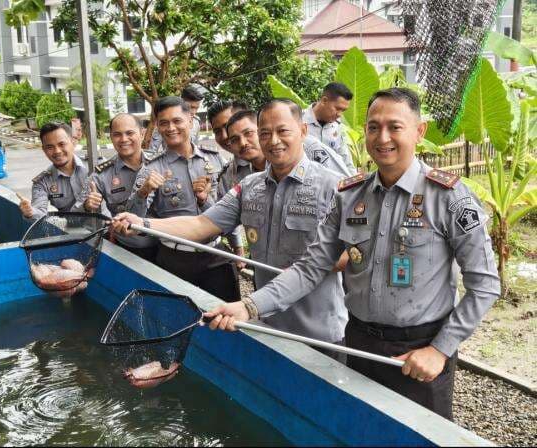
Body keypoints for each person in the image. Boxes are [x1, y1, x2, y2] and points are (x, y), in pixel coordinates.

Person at [205, 88, 500, 420]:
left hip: (419, 350)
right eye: (373, 127)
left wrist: (439, 349)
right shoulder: (349, 196)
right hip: (358, 343)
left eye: (394, 126)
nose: (382, 137)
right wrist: (249, 306)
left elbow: (485, 285)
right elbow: (310, 268)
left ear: (419, 131)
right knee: (360, 430)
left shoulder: (449, 198)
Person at [113, 98, 349, 347]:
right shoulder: (249, 187)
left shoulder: (334, 187)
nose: (274, 140)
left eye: (283, 131)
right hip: (269, 325)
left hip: (319, 332)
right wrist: (143, 223)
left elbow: (346, 257)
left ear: (302, 131)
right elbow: (200, 225)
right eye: (266, 133)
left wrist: (259, 299)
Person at [128, 96, 240, 302]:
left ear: (190, 120)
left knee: (227, 320)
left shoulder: (214, 159)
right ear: (158, 127)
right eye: (164, 123)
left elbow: (230, 208)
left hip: (215, 255)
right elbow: (134, 220)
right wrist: (142, 193)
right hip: (175, 259)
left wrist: (237, 246)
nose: (171, 128)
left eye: (177, 121)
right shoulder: (152, 168)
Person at [72, 113, 158, 261]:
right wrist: (87, 205)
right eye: (117, 134)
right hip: (125, 250)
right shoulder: (100, 175)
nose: (124, 139)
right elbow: (74, 216)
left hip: (163, 246)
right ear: (111, 137)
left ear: (142, 134)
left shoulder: (160, 163)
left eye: (130, 133)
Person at [207, 100, 250, 268]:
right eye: (217, 131)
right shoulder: (228, 177)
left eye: (228, 126)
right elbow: (220, 220)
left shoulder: (289, 154)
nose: (225, 136)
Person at [18, 122, 89, 221]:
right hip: (72, 233)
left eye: (62, 144)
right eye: (50, 147)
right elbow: (39, 212)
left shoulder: (93, 167)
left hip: (107, 230)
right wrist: (30, 211)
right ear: (44, 150)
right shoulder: (42, 182)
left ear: (73, 142)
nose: (57, 151)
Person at [303, 82, 356, 175]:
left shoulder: (337, 127)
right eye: (337, 108)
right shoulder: (298, 121)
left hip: (332, 185)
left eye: (343, 110)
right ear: (324, 101)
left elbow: (345, 159)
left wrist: (354, 182)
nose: (339, 114)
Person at [149, 85, 204, 152]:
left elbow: (195, 148)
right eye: (191, 107)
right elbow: (153, 150)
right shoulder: (165, 123)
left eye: (196, 108)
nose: (193, 112)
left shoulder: (196, 122)